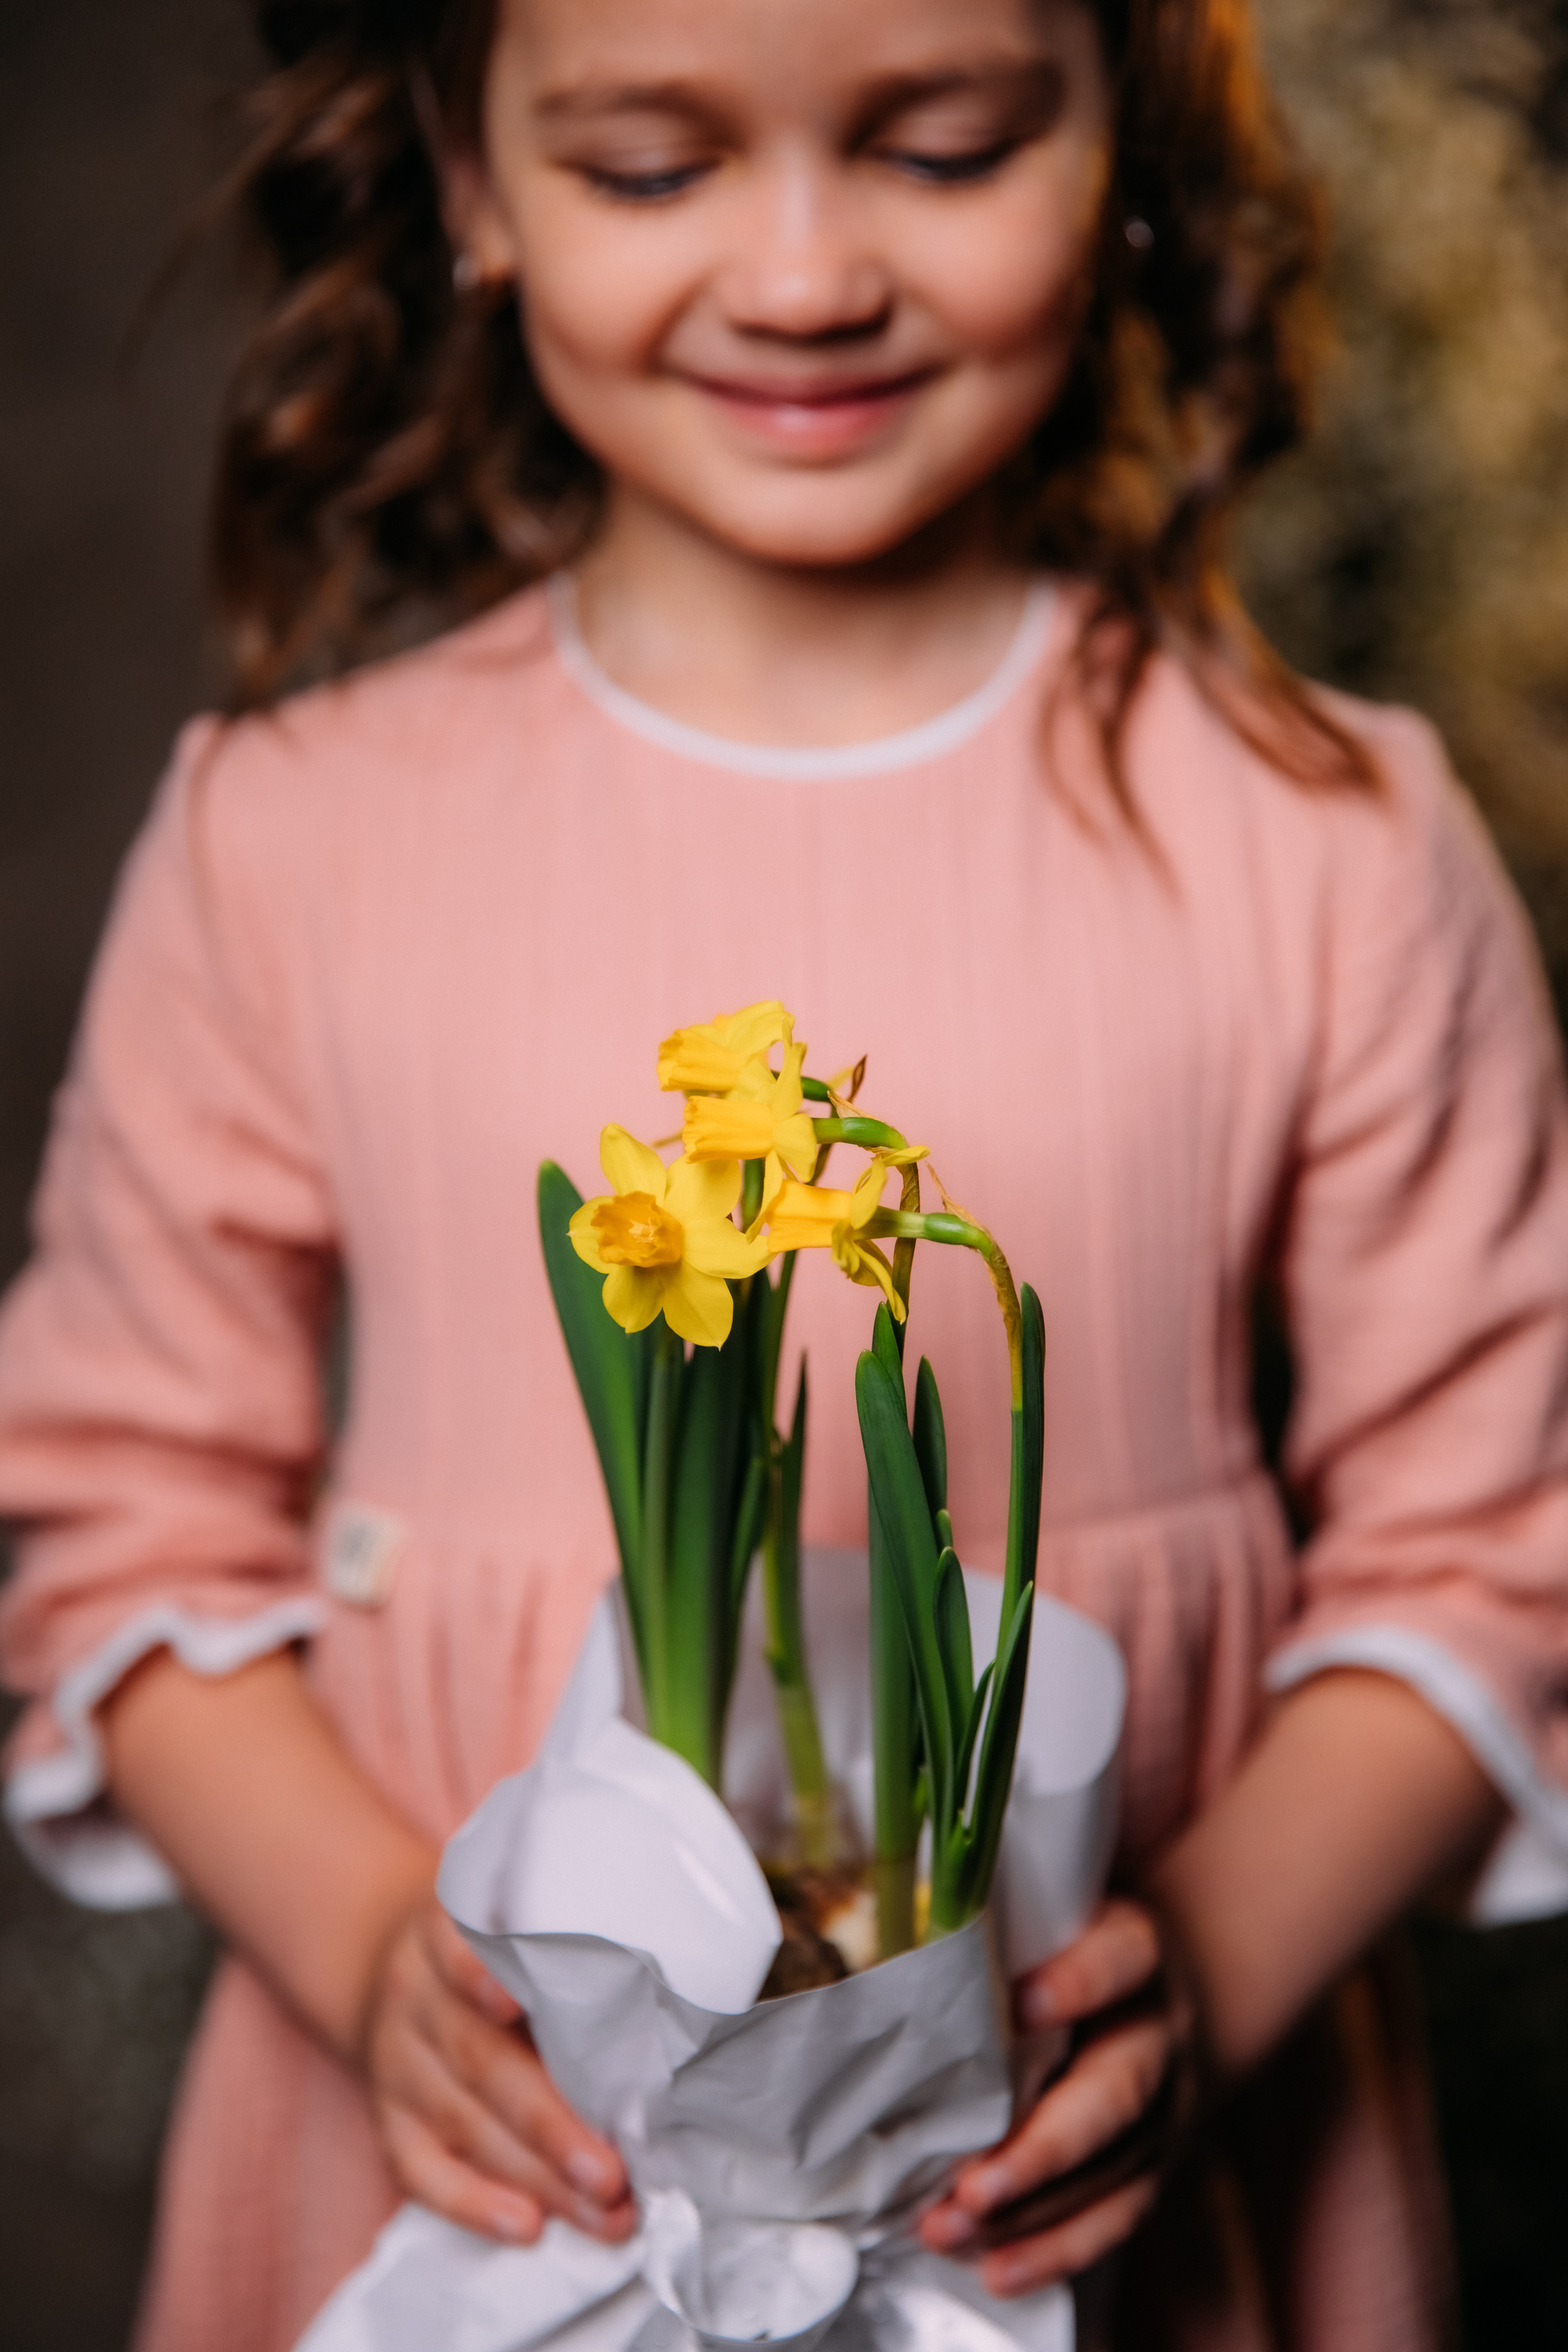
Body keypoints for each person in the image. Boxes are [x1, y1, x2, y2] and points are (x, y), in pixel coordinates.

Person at [2, 0, 1566, 2345]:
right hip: (471, 2153)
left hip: (1105, 2177)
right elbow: (118, 1512)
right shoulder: (291, 840)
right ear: (469, 179)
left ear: (1120, 139)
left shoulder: (1325, 846)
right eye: (654, 168)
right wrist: (365, 1942)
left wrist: (1213, 1961)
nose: (809, 277)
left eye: (942, 148)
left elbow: (1500, 1540)